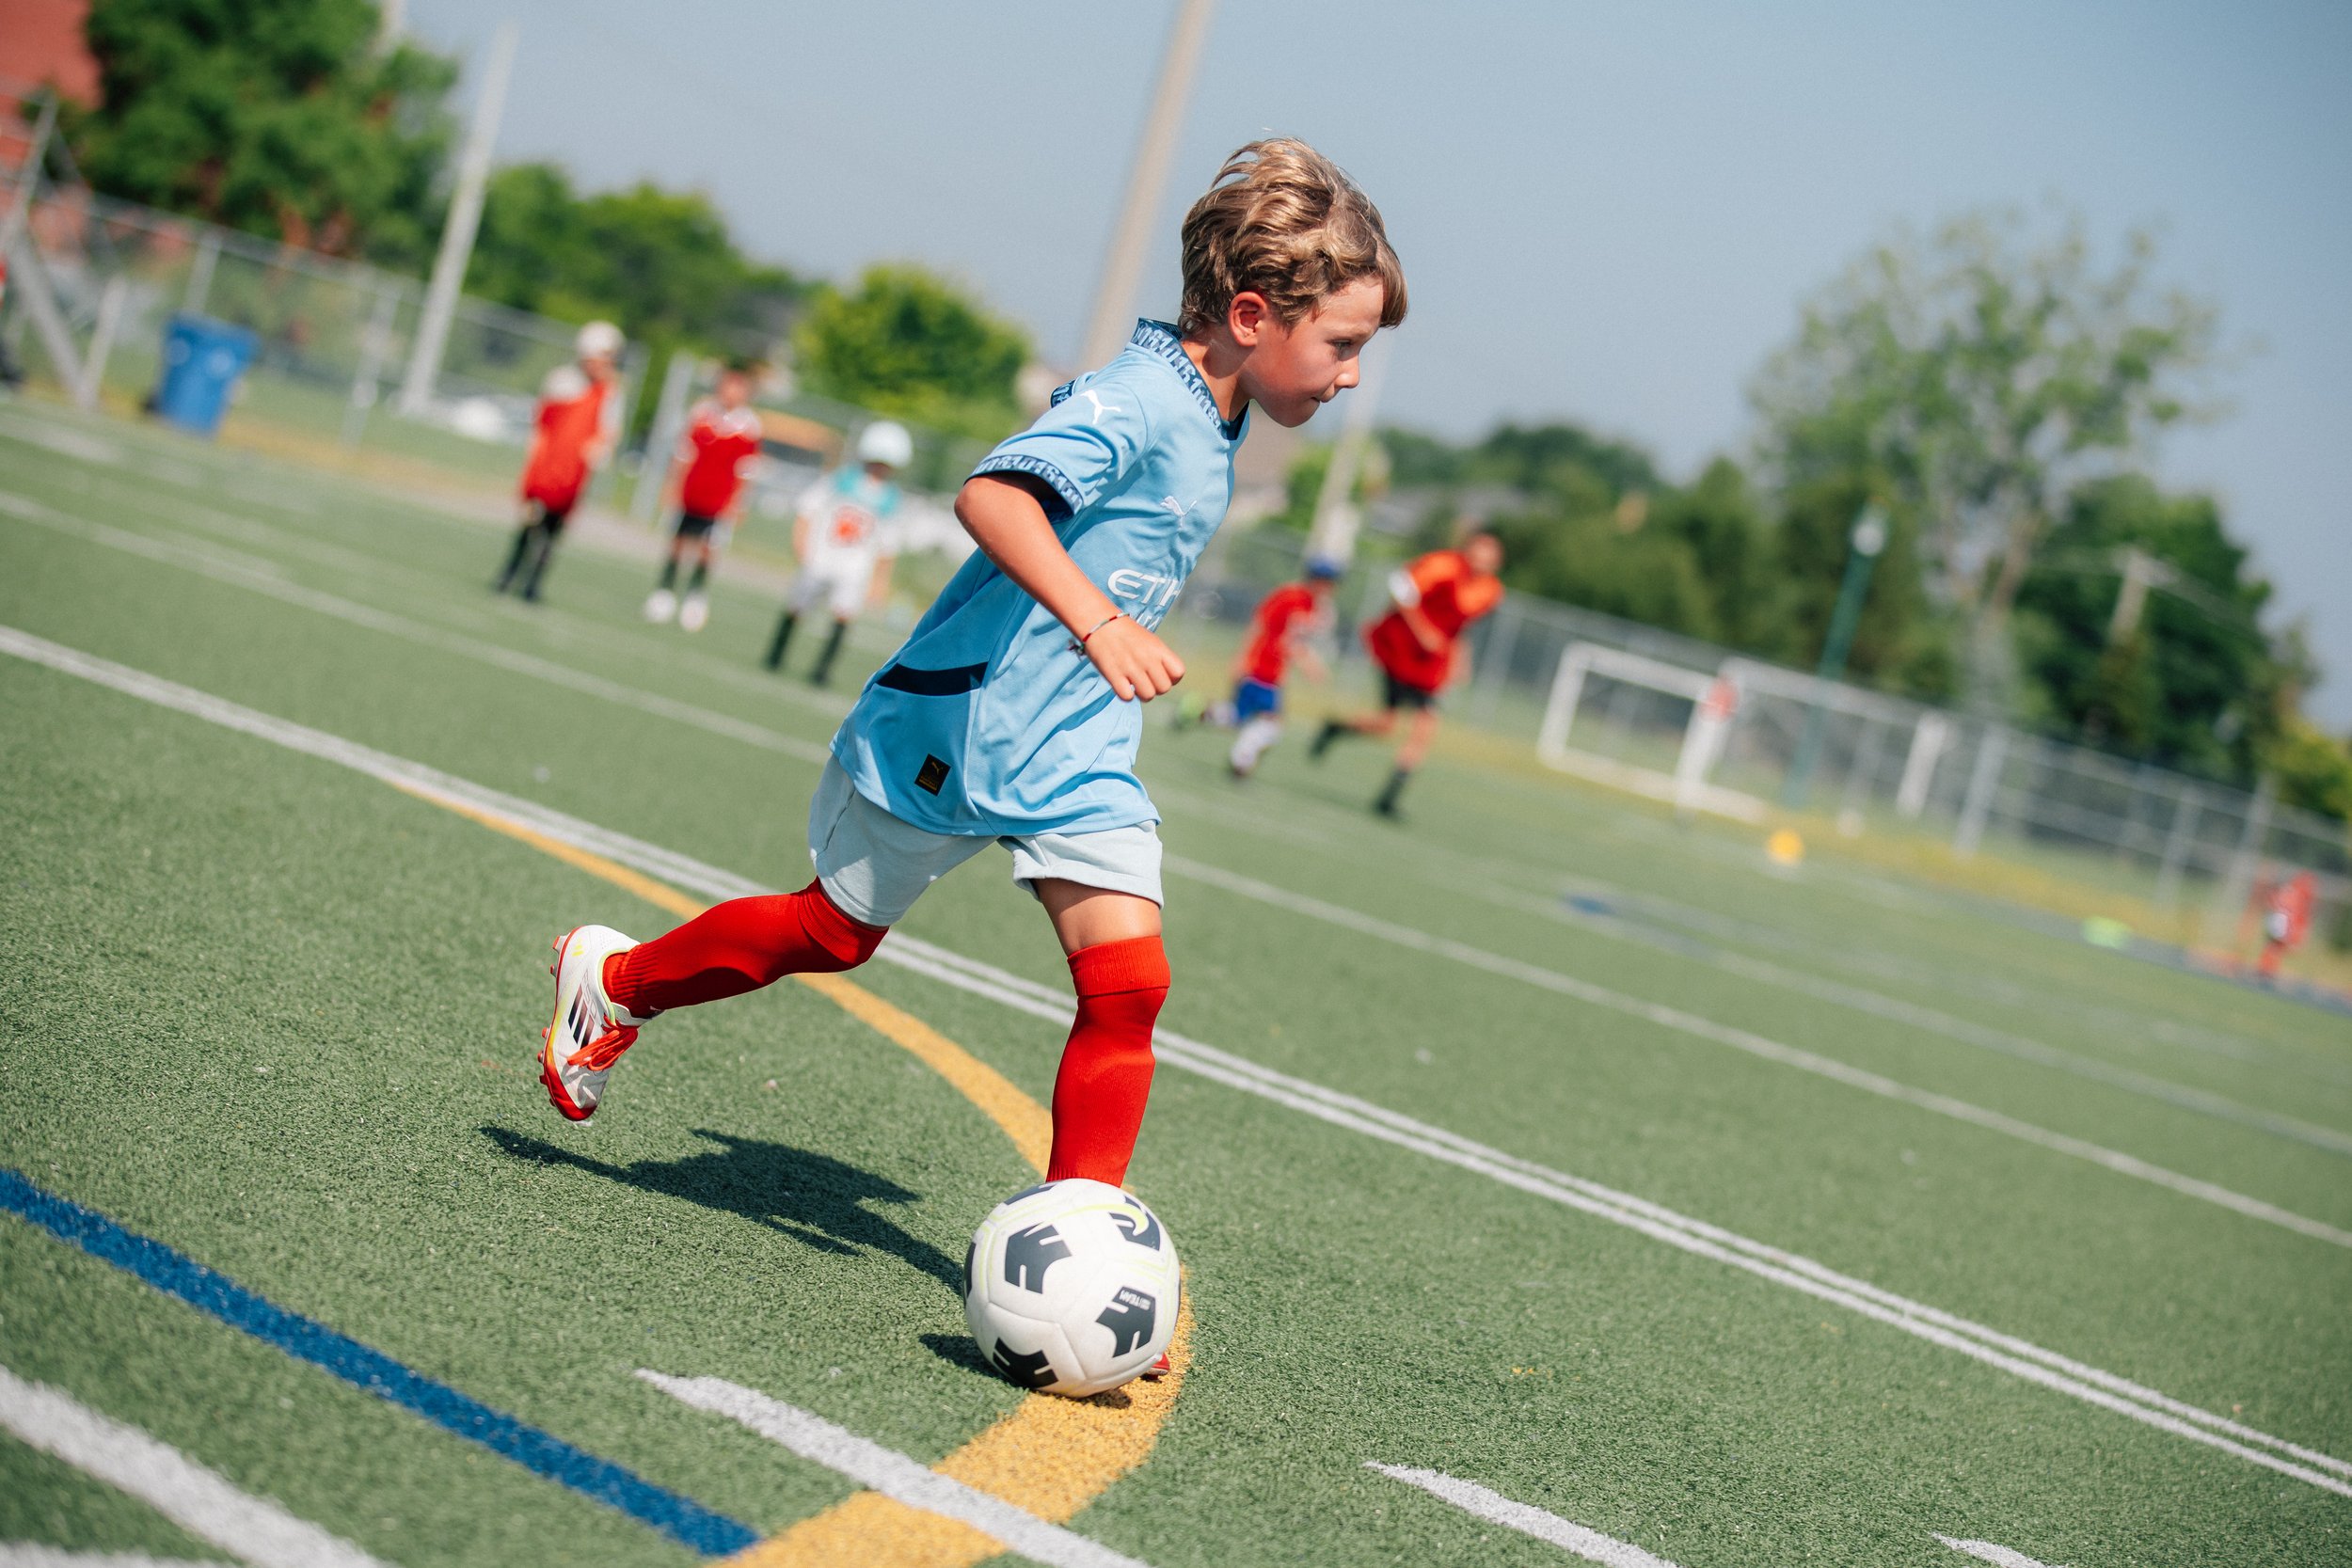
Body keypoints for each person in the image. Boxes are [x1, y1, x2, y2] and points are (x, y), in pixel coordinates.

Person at [535, 140, 1403, 1284]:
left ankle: (1084, 1260)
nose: (1348, 374)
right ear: (1250, 314)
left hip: (1077, 749)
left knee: (1130, 983)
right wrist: (1100, 623)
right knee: (831, 934)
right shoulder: (1140, 400)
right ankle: (618, 978)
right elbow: (990, 495)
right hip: (963, 726)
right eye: (1341, 345)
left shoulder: (1219, 408)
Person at [1310, 529, 1504, 816]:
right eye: (1478, 553)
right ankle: (1336, 728)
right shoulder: (1442, 565)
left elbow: (1459, 627)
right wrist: (1422, 628)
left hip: (1432, 662)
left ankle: (1389, 797)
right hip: (1401, 647)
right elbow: (1402, 590)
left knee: (1425, 726)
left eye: (1490, 557)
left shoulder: (1490, 590)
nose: (1482, 561)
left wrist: (1461, 658)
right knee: (1385, 724)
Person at [763, 420, 911, 686]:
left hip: (854, 567)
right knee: (797, 607)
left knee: (843, 615)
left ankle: (822, 669)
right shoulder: (843, 479)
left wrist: (879, 581)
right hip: (822, 558)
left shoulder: (890, 498)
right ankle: (776, 654)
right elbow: (808, 508)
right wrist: (801, 543)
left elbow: (888, 544)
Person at [492, 321, 624, 603]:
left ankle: (533, 583)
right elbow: (543, 424)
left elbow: (608, 432)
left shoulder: (608, 392)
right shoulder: (563, 381)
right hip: (548, 467)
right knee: (530, 523)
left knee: (554, 531)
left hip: (574, 473)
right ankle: (509, 574)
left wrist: (600, 449)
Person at [644, 363, 764, 632]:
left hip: (719, 501)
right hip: (691, 494)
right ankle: (664, 591)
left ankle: (695, 597)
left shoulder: (749, 426)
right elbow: (684, 454)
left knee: (708, 551)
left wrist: (737, 503)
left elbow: (746, 470)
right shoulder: (702, 414)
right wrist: (672, 487)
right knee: (677, 542)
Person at [1206, 558, 1341, 777]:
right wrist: (1241, 658)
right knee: (1269, 723)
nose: (1329, 588)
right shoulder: (1290, 597)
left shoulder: (1313, 606)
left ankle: (1201, 713)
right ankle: (1240, 762)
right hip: (1259, 666)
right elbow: (1260, 625)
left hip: (1275, 673)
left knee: (1238, 718)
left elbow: (1294, 642)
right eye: (1326, 581)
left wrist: (1308, 662)